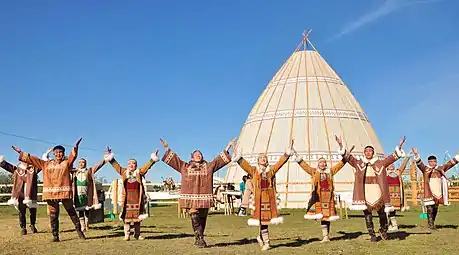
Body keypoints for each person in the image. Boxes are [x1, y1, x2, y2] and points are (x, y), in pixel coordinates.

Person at [160, 137, 234, 248]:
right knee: (194, 215)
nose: (198, 155)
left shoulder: (208, 167)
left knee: (202, 218)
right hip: (191, 197)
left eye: (200, 154)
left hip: (204, 196)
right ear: (191, 157)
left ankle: (199, 236)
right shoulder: (185, 167)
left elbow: (218, 161)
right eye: (196, 154)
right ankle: (199, 238)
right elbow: (175, 160)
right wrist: (166, 148)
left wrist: (228, 147)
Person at [12, 138, 86, 242]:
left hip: (64, 192)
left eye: (61, 152)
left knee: (72, 212)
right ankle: (55, 236)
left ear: (63, 153)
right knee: (53, 215)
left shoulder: (66, 163)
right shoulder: (45, 164)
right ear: (54, 154)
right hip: (51, 193)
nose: (58, 154)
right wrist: (20, 152)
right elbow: (33, 159)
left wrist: (75, 147)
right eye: (56, 152)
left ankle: (79, 232)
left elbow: (73, 156)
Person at [232, 139, 294, 251]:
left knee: (265, 221)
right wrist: (239, 158)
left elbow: (280, 163)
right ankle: (267, 242)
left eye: (265, 158)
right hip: (259, 199)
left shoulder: (271, 171)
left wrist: (286, 154)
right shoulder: (254, 171)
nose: (263, 159)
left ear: (267, 161)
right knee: (262, 221)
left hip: (269, 199)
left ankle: (261, 237)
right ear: (258, 161)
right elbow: (245, 166)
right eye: (261, 158)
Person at [340, 136, 406, 242]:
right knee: (367, 214)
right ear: (364, 153)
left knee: (382, 213)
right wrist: (341, 146)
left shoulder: (380, 163)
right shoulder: (358, 163)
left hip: (377, 190)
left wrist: (400, 146)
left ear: (373, 153)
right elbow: (349, 158)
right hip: (365, 191)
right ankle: (372, 235)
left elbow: (392, 157)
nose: (368, 153)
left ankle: (383, 230)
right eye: (366, 151)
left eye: (370, 151)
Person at [293, 137, 352, 243]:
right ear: (318, 164)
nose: (323, 164)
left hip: (328, 197)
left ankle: (326, 236)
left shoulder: (331, 171)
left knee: (328, 217)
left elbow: (341, 164)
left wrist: (342, 148)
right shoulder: (314, 171)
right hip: (319, 197)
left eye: (324, 162)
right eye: (321, 162)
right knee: (322, 217)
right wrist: (295, 153)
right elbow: (304, 165)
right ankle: (325, 236)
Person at [104, 146, 159, 241]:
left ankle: (137, 234)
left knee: (138, 218)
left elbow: (147, 166)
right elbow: (116, 166)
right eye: (129, 163)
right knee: (126, 219)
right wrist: (110, 157)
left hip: (137, 198)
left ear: (136, 165)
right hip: (127, 198)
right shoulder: (124, 172)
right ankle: (127, 235)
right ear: (127, 165)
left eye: (133, 163)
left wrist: (152, 159)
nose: (131, 165)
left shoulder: (140, 172)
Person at [412, 148, 459, 230]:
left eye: (434, 161)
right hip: (429, 192)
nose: (433, 163)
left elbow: (449, 164)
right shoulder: (425, 169)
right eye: (431, 161)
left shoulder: (440, 168)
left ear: (436, 162)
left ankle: (432, 222)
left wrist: (457, 157)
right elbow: (419, 164)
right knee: (429, 208)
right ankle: (431, 225)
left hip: (438, 192)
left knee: (435, 209)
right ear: (428, 162)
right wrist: (416, 154)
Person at [0, 155, 42, 235]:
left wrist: (44, 158)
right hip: (20, 194)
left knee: (33, 211)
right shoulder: (16, 169)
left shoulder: (34, 169)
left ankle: (32, 225)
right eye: (23, 159)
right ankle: (23, 228)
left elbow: (42, 165)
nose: (25, 161)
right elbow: (6, 166)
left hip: (31, 194)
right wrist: (2, 162)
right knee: (21, 212)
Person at [386, 155, 411, 231]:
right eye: (390, 164)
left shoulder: (398, 172)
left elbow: (403, 165)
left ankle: (394, 225)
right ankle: (389, 225)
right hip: (387, 194)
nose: (392, 165)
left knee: (393, 210)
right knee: (387, 210)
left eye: (393, 164)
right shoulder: (384, 173)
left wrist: (407, 157)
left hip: (397, 194)